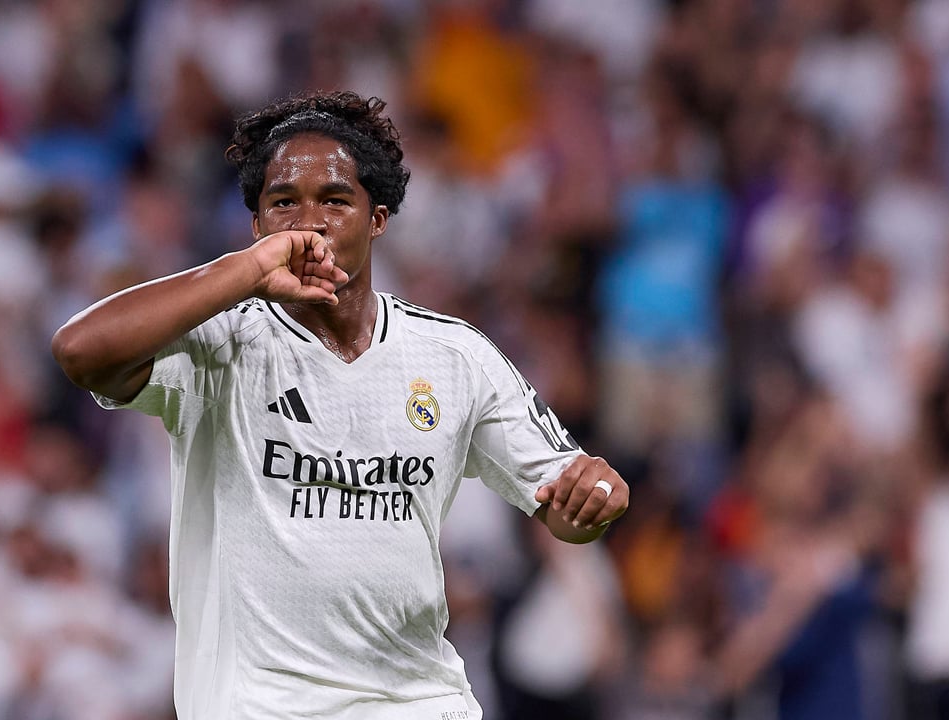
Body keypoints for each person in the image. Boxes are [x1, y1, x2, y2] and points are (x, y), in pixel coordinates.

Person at [52, 90, 630, 719]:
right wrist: (244, 272)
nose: (309, 223)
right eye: (283, 203)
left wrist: (595, 500)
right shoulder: (217, 345)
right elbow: (79, 349)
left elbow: (566, 507)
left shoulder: (455, 356)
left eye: (334, 200)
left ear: (376, 218)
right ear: (256, 227)